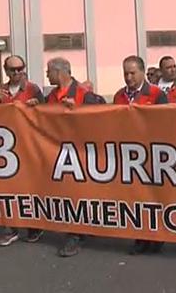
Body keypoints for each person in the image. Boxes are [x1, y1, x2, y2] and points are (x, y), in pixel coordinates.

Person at [46, 57, 104, 257]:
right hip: (59, 151)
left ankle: (76, 234)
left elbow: (99, 119)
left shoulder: (83, 94)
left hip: (80, 152)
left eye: (49, 71)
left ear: (60, 72)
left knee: (78, 193)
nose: (47, 75)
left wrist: (77, 111)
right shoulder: (51, 96)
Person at [113, 56, 168, 254]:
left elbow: (164, 124)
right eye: (125, 73)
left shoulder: (156, 94)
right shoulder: (119, 95)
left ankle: (157, 236)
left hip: (152, 154)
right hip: (129, 154)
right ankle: (140, 236)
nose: (128, 77)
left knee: (153, 197)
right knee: (135, 197)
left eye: (132, 73)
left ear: (143, 72)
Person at [0, 55, 46, 247]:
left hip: (29, 146)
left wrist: (36, 106)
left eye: (20, 69)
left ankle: (34, 225)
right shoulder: (1, 91)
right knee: (8, 188)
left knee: (30, 188)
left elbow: (48, 115)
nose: (17, 73)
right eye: (12, 70)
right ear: (6, 71)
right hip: (6, 149)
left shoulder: (33, 89)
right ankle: (11, 228)